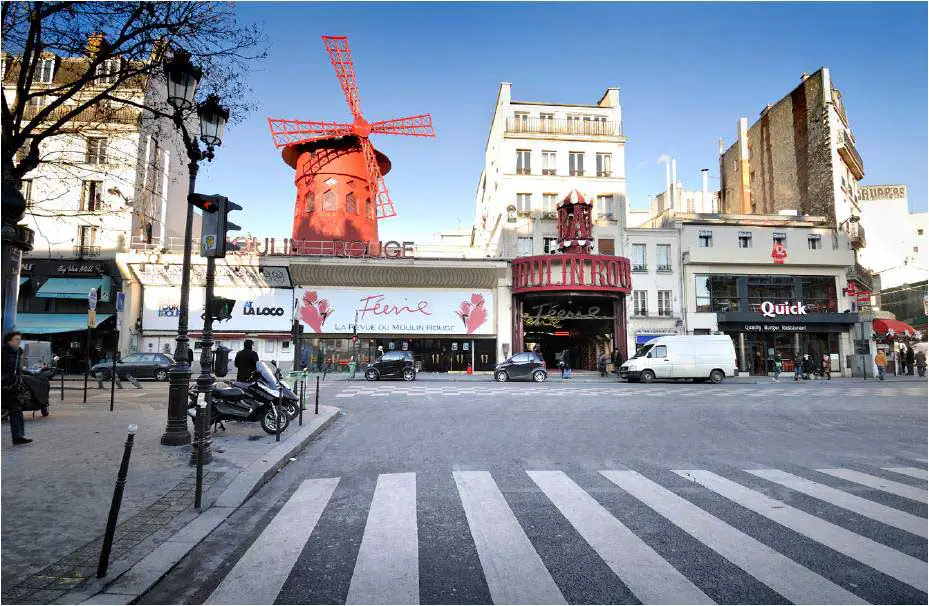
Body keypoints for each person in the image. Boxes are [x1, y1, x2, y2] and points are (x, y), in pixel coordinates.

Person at [2, 332, 32, 445]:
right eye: (16, 339)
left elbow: (18, 370)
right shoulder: (3, 353)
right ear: (9, 341)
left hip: (13, 387)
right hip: (4, 386)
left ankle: (18, 436)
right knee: (15, 410)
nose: (19, 341)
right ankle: (18, 436)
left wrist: (29, 373)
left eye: (20, 339)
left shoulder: (18, 352)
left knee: (16, 410)